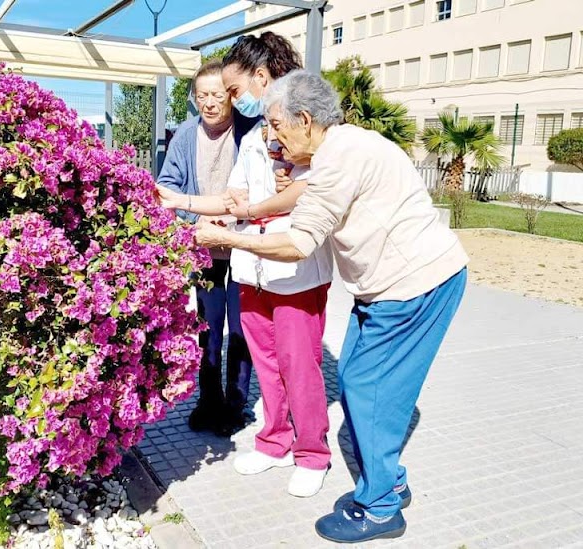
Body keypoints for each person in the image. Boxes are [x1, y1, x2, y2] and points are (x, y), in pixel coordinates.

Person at [194, 70, 469, 543]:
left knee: (367, 389)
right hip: (386, 289)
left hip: (414, 286)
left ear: (304, 119)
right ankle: (390, 481)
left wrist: (225, 237)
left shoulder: (337, 161)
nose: (273, 137)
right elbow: (302, 195)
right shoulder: (344, 145)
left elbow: (300, 242)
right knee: (355, 381)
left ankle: (381, 508)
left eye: (277, 126)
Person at [158, 32, 334, 499]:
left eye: (233, 92)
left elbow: (303, 194)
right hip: (250, 269)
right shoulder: (257, 136)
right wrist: (182, 199)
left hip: (294, 269)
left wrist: (247, 215)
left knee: (300, 365)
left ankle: (312, 453)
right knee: (265, 359)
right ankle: (274, 440)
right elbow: (234, 197)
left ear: (260, 78)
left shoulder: (308, 131)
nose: (231, 102)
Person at [157, 59, 257, 436]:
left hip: (244, 247)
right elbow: (167, 186)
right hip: (205, 249)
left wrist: (236, 221)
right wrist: (193, 222)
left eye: (217, 94)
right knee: (208, 327)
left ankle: (235, 404)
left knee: (242, 329)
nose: (210, 103)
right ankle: (207, 400)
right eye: (202, 96)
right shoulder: (184, 135)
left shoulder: (250, 131)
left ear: (231, 96)